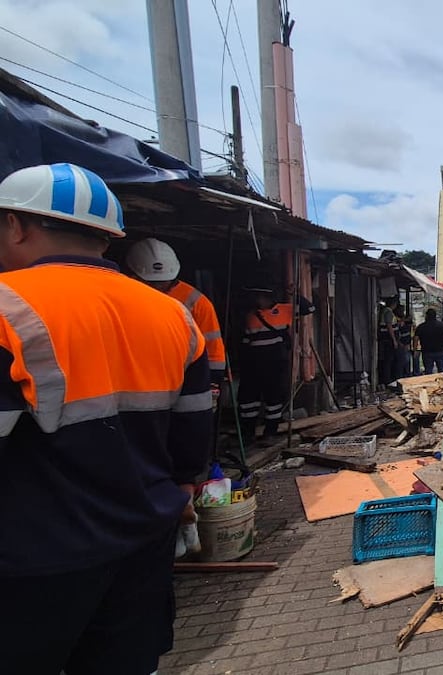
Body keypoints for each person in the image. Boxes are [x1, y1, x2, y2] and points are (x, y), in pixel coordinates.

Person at [0, 163, 211, 672]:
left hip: (35, 556)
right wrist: (182, 489)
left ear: (16, 225)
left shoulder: (8, 306)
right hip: (144, 540)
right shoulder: (172, 314)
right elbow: (195, 422)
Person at [126, 237, 227, 386]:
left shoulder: (197, 302)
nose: (158, 287)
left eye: (163, 283)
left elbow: (213, 348)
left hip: (185, 377)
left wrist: (213, 382)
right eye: (151, 283)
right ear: (133, 276)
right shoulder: (123, 296)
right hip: (139, 377)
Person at [238, 285, 314, 439]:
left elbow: (310, 308)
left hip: (274, 362)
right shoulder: (251, 315)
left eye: (261, 297)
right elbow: (246, 342)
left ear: (269, 298)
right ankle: (247, 433)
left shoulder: (285, 310)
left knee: (273, 399)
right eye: (257, 297)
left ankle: (270, 433)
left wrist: (296, 294)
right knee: (248, 400)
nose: (258, 300)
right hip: (254, 363)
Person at [415, 307, 443, 374]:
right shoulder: (442, 325)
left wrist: (415, 349)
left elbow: (416, 338)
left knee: (428, 372)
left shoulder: (421, 327)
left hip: (427, 352)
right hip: (441, 351)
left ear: (426, 316)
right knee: (442, 372)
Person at [377, 297, 401, 383]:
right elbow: (389, 326)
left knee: (389, 360)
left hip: (387, 339)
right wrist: (394, 340)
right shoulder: (388, 312)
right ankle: (388, 379)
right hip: (388, 340)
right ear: (394, 304)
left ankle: (388, 378)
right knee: (388, 360)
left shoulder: (386, 311)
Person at [395, 311, 414, 379]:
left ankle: (406, 375)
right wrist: (402, 344)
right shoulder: (399, 328)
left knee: (406, 361)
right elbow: (398, 337)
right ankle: (402, 376)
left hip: (406, 346)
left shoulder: (406, 328)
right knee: (402, 362)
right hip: (402, 346)